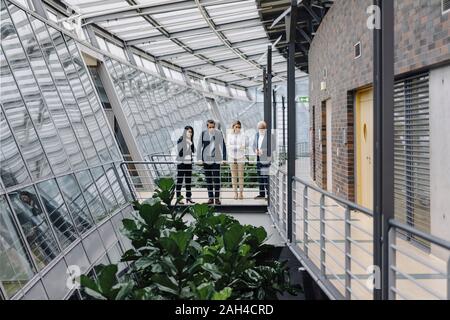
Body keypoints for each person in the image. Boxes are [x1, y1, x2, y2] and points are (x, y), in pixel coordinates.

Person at [198, 120, 227, 205]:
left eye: (213, 127)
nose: (211, 129)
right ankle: (210, 198)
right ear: (207, 127)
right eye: (210, 127)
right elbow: (199, 146)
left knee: (216, 179)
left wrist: (224, 158)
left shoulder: (219, 133)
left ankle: (217, 198)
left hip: (216, 159)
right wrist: (199, 158)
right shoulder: (203, 133)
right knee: (208, 179)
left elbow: (223, 146)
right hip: (206, 159)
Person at [227, 120, 247, 200]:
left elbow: (244, 146)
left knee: (241, 176)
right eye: (236, 127)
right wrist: (238, 146)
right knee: (234, 176)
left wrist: (235, 146)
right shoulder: (229, 135)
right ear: (233, 127)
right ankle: (235, 193)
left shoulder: (243, 135)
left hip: (240, 157)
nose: (238, 128)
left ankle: (241, 193)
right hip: (231, 157)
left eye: (239, 127)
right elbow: (228, 146)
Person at [176, 126, 195, 204]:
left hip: (188, 163)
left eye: (191, 132)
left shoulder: (190, 140)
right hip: (181, 163)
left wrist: (191, 142)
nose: (189, 133)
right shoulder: (180, 140)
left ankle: (189, 197)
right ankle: (178, 198)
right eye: (188, 131)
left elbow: (193, 151)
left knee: (188, 181)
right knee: (179, 181)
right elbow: (180, 153)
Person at [253, 121, 271, 200]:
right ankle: (261, 193)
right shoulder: (256, 135)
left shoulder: (269, 136)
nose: (260, 130)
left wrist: (263, 151)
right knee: (260, 177)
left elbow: (271, 147)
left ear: (265, 128)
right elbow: (254, 145)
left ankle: (268, 194)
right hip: (258, 159)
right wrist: (255, 150)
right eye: (259, 128)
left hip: (266, 160)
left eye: (262, 128)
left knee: (265, 177)